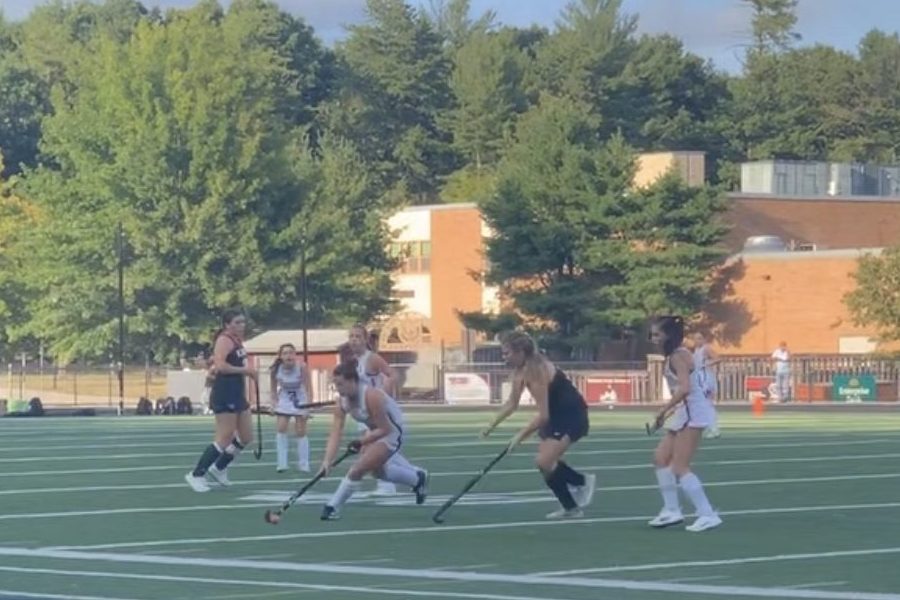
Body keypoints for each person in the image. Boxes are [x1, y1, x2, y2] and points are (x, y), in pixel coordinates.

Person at [482, 331, 595, 520]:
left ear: (520, 353)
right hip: (555, 416)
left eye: (507, 353)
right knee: (545, 464)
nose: (504, 357)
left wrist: (519, 437)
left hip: (571, 415)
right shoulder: (519, 372)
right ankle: (571, 507)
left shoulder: (536, 372)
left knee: (544, 461)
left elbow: (543, 416)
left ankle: (581, 482)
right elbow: (512, 404)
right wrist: (491, 425)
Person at [318, 360, 428, 520]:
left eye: (341, 384)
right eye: (336, 385)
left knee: (358, 469)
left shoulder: (371, 396)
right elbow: (335, 432)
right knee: (379, 472)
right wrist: (327, 462)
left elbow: (385, 429)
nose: (338, 389)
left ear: (352, 381)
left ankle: (332, 507)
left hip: (393, 430)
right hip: (375, 430)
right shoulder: (342, 402)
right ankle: (417, 479)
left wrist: (362, 441)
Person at [649, 316, 722, 532]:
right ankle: (671, 510)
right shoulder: (675, 355)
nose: (653, 338)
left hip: (694, 412)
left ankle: (707, 514)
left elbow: (685, 388)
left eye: (657, 334)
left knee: (680, 466)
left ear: (668, 335)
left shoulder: (678, 356)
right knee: (660, 458)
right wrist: (666, 413)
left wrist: (663, 410)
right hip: (685, 411)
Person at [185, 309, 257, 492]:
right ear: (227, 324)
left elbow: (218, 361)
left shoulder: (236, 341)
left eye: (243, 322)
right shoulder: (224, 339)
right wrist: (246, 371)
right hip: (225, 392)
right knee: (225, 436)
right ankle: (197, 474)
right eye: (237, 323)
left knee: (246, 436)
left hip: (237, 392)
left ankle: (219, 467)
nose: (242, 326)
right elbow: (222, 366)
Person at [347, 325, 398, 497]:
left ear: (365, 340)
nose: (354, 340)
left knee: (371, 449)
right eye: (351, 336)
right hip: (362, 411)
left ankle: (386, 484)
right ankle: (385, 481)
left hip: (376, 410)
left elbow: (391, 375)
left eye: (357, 336)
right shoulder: (352, 361)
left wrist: (385, 394)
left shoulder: (372, 358)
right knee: (368, 450)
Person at [271, 343, 313, 473]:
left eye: (291, 352)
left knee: (300, 430)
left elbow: (309, 388)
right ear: (281, 356)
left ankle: (304, 463)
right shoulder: (275, 369)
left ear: (295, 355)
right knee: (281, 427)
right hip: (284, 399)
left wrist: (308, 407)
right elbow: (273, 390)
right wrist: (274, 404)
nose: (288, 355)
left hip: (300, 398)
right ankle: (282, 463)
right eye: (285, 353)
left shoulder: (302, 367)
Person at [692, 332, 721, 439]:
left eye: (700, 338)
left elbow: (718, 358)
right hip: (699, 378)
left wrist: (706, 364)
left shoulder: (706, 348)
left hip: (706, 379)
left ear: (703, 339)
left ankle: (714, 429)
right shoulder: (695, 350)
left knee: (707, 404)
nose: (697, 341)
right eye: (695, 339)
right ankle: (709, 427)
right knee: (702, 404)